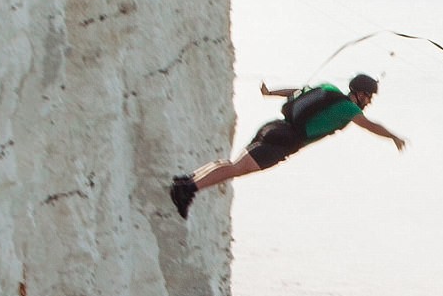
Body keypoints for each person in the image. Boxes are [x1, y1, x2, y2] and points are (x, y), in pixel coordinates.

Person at [169, 73, 406, 218]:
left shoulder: (328, 89)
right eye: (369, 96)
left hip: (275, 127)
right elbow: (369, 125)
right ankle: (188, 188)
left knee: (233, 164)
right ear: (360, 93)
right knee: (237, 168)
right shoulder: (349, 109)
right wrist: (393, 136)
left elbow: (296, 91)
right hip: (286, 141)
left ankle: (187, 181)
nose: (370, 100)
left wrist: (270, 92)